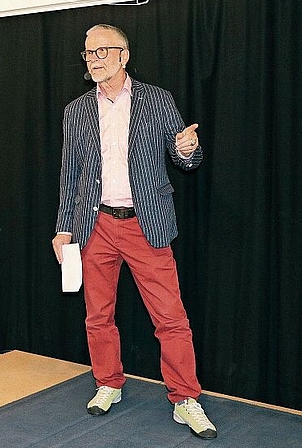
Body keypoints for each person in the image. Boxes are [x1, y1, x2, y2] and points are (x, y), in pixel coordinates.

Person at [52, 24, 217, 439]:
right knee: (98, 315)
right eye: (88, 54)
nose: (93, 59)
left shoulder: (157, 100)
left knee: (171, 318)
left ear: (124, 56)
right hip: (95, 225)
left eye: (102, 51)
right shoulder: (76, 111)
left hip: (147, 225)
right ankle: (107, 382)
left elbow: (185, 157)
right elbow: (69, 175)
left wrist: (187, 150)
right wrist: (62, 229)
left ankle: (185, 398)